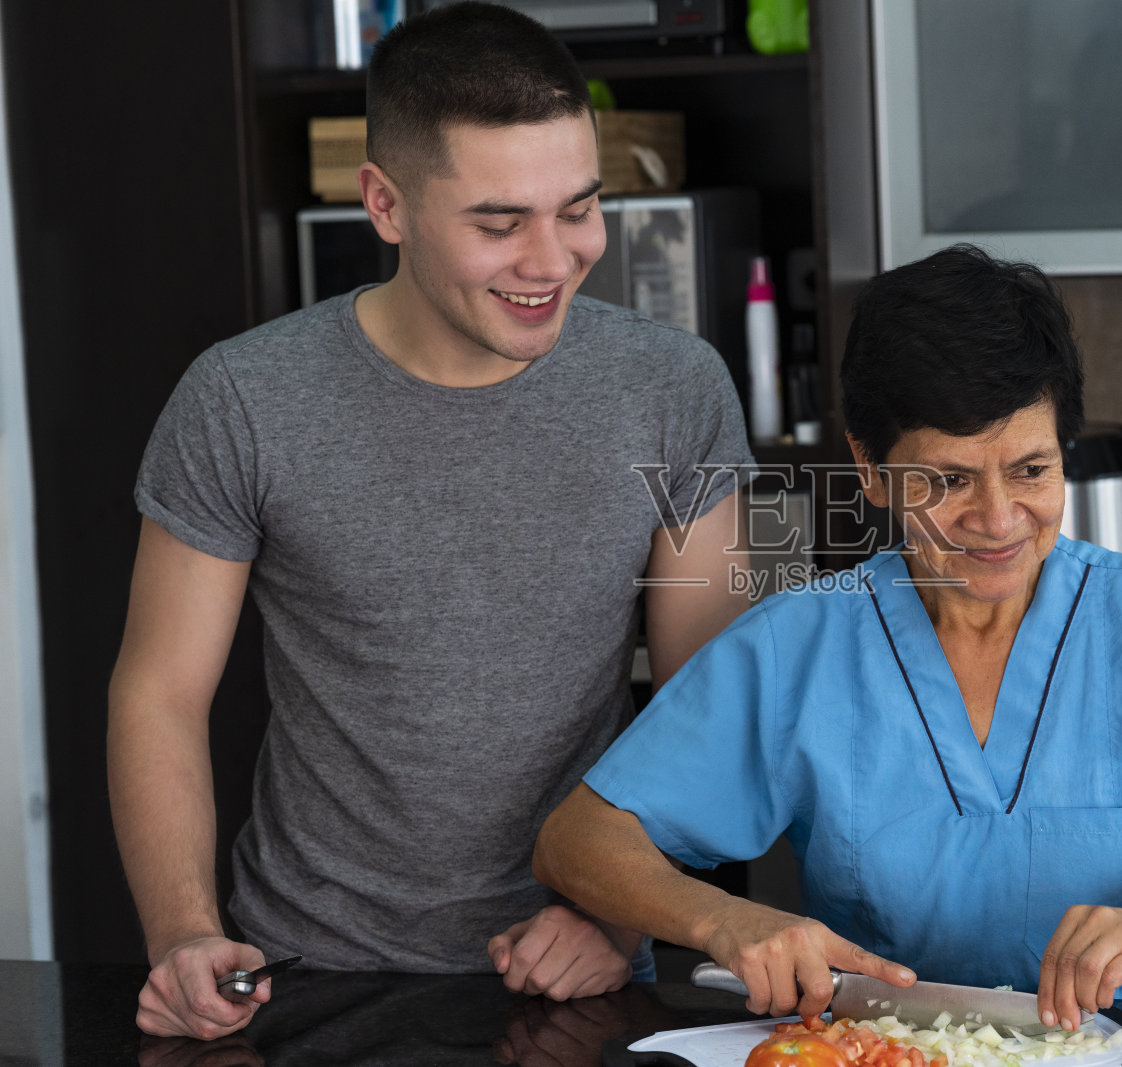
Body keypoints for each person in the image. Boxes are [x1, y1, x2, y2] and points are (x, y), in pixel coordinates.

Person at [108, 1, 753, 1042]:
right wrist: (183, 932)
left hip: (579, 972)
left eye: (579, 208)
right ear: (386, 204)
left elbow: (713, 698)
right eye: (499, 224)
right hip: (308, 972)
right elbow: (160, 694)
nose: (552, 259)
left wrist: (621, 907)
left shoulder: (675, 387)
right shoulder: (241, 399)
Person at [533, 244, 1122, 1031]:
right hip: (888, 1052)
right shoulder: (801, 645)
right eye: (948, 480)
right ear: (869, 467)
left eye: (1032, 470)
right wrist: (724, 919)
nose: (998, 520)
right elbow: (578, 839)